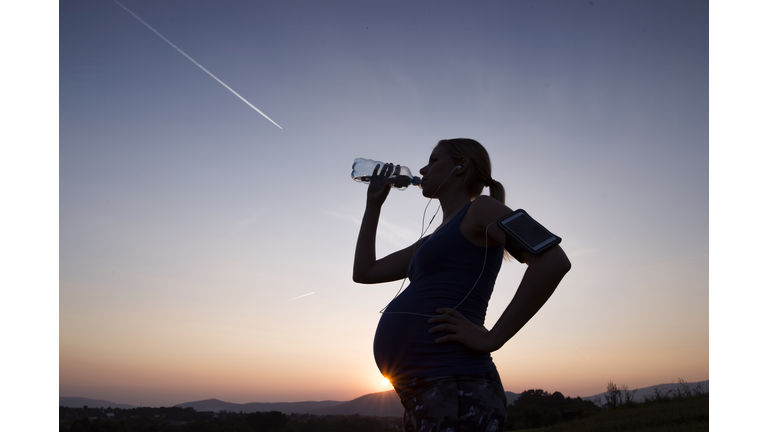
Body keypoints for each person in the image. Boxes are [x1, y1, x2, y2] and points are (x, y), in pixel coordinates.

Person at [353, 138, 571, 432]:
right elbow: (365, 271)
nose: (422, 169)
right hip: (423, 393)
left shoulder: (481, 209)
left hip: (456, 387)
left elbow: (553, 261)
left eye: (433, 160)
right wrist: (373, 205)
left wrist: (493, 338)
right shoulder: (431, 240)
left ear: (461, 167)